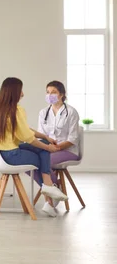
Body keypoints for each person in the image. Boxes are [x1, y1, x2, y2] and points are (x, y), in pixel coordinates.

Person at [0, 77, 69, 211]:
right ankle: (49, 191)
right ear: (15, 92)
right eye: (21, 90)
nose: (23, 94)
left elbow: (24, 130)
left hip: (1, 154)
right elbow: (27, 137)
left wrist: (45, 137)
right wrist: (48, 147)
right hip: (12, 155)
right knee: (43, 153)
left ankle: (48, 191)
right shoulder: (16, 110)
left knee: (42, 147)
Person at [33, 80, 81, 217]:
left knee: (44, 161)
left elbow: (73, 139)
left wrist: (55, 148)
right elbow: (41, 135)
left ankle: (50, 200)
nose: (50, 95)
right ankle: (55, 189)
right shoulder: (43, 112)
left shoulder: (71, 112)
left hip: (68, 151)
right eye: (48, 92)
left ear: (62, 95)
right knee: (31, 162)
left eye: (53, 92)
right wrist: (46, 147)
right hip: (48, 149)